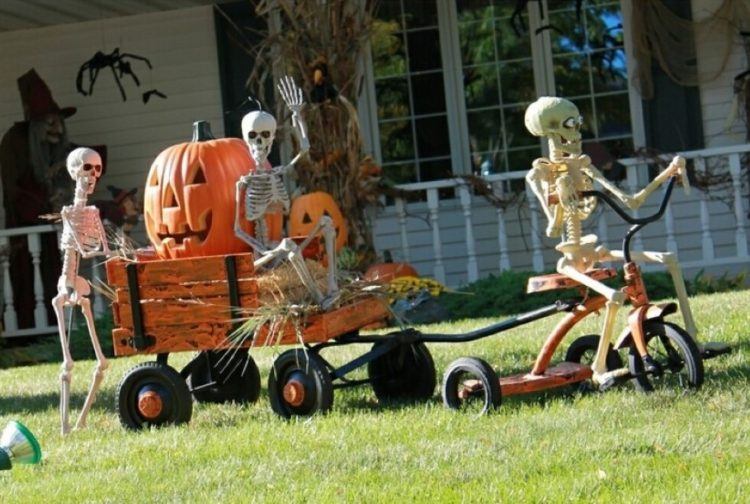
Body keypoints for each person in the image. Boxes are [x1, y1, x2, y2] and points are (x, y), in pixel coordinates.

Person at [0, 69, 76, 328]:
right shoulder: (14, 145)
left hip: (58, 236)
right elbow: (17, 193)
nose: (56, 128)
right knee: (31, 288)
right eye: (49, 122)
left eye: (58, 121)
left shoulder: (63, 152)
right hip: (29, 234)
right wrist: (47, 204)